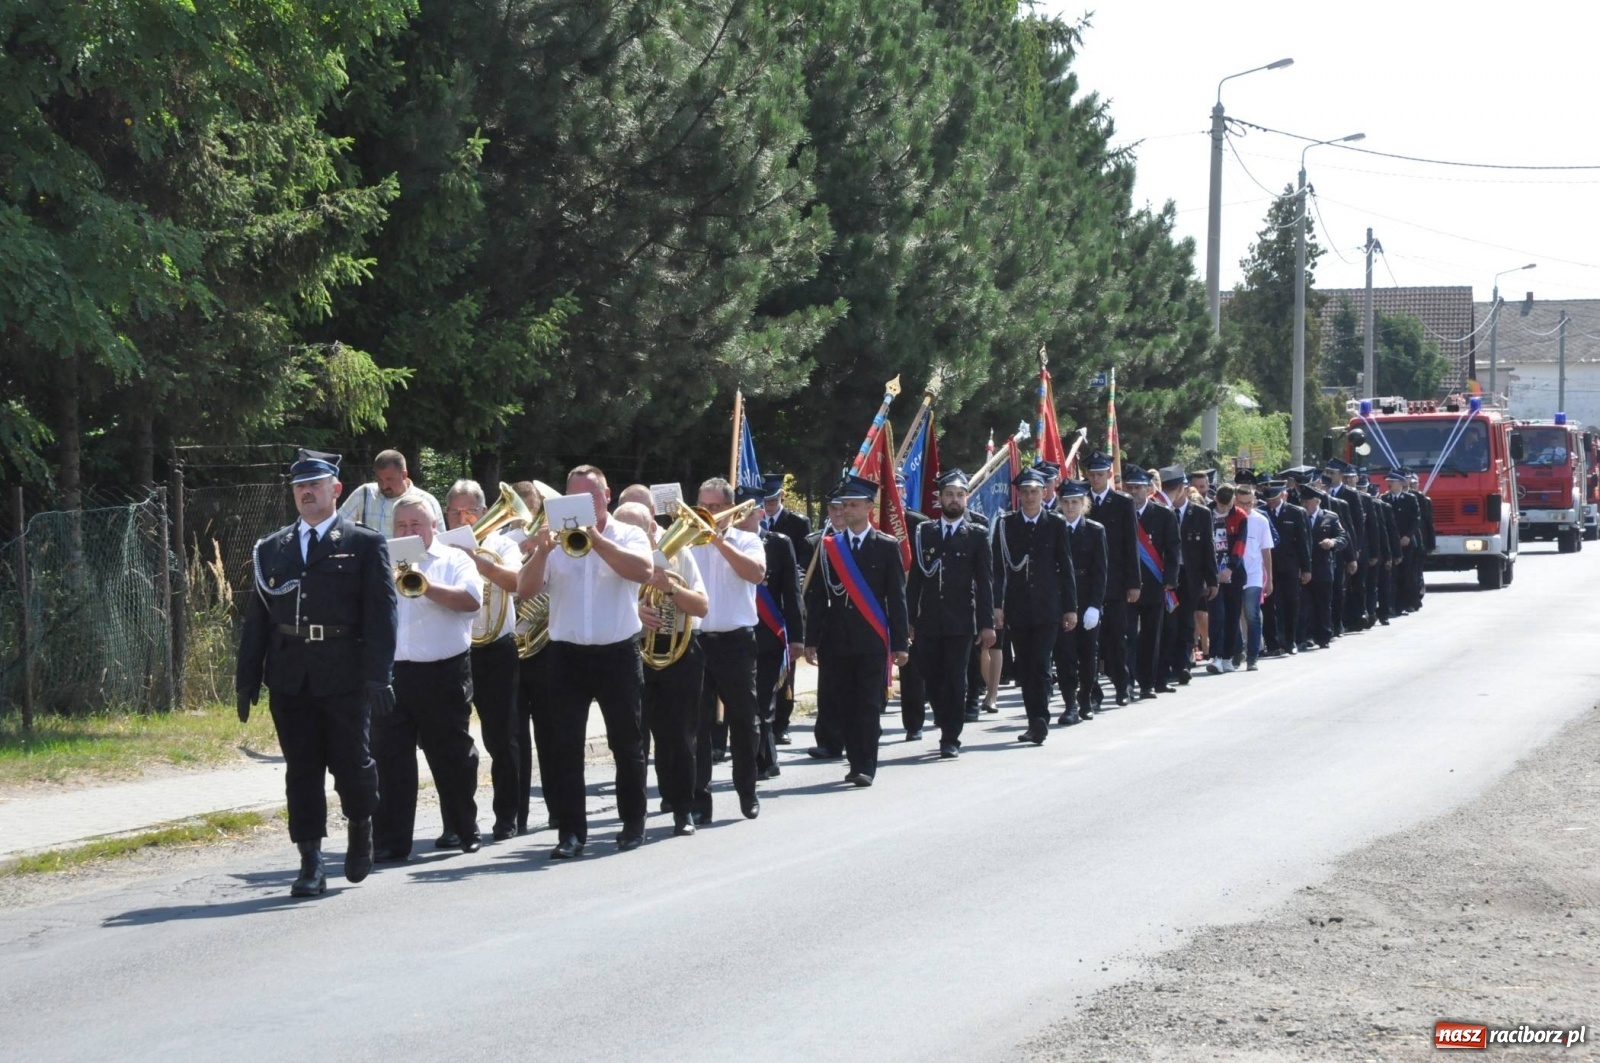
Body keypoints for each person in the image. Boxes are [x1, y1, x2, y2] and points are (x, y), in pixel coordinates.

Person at [236, 449, 396, 897]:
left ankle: (361, 826)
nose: (307, 492)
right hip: (290, 676)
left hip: (345, 672)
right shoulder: (272, 548)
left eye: (315, 484)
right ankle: (310, 863)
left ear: (336, 489)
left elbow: (382, 615)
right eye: (299, 486)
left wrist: (379, 674)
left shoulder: (363, 544)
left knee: (352, 764)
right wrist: (247, 678)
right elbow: (258, 619)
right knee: (301, 771)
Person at [518, 465, 654, 858]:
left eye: (591, 498)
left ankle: (632, 823)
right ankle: (572, 832)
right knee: (565, 746)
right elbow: (524, 591)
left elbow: (643, 571)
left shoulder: (627, 533)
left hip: (617, 652)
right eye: (575, 499)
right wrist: (542, 551)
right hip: (566, 656)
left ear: (606, 496)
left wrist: (594, 539)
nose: (585, 505)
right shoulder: (553, 540)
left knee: (627, 744)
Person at [372, 495, 484, 861]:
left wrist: (423, 584)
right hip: (394, 673)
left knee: (452, 756)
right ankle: (392, 840)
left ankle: (463, 828)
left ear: (434, 525)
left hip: (443, 672)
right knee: (391, 759)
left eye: (415, 524)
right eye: (401, 526)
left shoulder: (453, 559)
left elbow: (471, 601)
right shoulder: (381, 562)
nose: (408, 531)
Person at [803, 476, 909, 786]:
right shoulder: (830, 547)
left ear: (868, 507)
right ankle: (853, 760)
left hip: (871, 638)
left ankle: (866, 765)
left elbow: (896, 598)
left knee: (867, 704)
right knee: (844, 703)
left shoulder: (887, 546)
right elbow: (820, 597)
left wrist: (900, 643)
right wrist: (812, 639)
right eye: (843, 505)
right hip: (836, 639)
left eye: (852, 505)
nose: (846, 510)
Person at [616, 502, 709, 838]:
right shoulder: (615, 556)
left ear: (651, 527)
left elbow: (701, 606)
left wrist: (668, 586)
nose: (628, 539)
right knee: (632, 740)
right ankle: (634, 818)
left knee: (680, 737)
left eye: (636, 531)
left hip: (678, 652)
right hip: (633, 652)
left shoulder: (679, 553)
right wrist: (634, 611)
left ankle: (684, 810)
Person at [442, 480, 525, 841]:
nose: (462, 518)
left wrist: (475, 559)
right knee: (450, 743)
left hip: (495, 650)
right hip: (452, 651)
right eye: (455, 512)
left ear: (483, 510)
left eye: (469, 511)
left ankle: (508, 817)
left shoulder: (502, 543)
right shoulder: (438, 546)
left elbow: (517, 583)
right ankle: (457, 824)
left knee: (502, 738)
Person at [689, 477, 768, 822]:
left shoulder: (748, 539)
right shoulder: (686, 542)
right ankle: (698, 801)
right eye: (703, 507)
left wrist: (719, 542)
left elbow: (755, 574)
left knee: (744, 720)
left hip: (736, 641)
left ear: (731, 510)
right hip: (695, 642)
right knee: (698, 725)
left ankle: (747, 791)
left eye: (716, 507)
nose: (708, 513)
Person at [904, 470, 996, 758]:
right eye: (949, 494)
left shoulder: (977, 535)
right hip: (929, 619)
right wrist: (907, 619)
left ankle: (950, 737)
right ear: (940, 498)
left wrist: (986, 624)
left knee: (956, 678)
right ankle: (944, 718)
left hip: (961, 619)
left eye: (959, 495)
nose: (954, 500)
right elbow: (916, 579)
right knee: (930, 675)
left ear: (966, 498)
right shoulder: (925, 532)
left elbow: (985, 583)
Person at [990, 467, 1077, 745]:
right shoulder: (1006, 525)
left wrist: (1071, 607)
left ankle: (1040, 720)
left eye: (1035, 492)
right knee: (1025, 666)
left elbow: (1066, 567)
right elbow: (998, 568)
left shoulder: (1056, 524)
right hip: (1017, 606)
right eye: (1025, 492)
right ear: (1019, 495)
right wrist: (996, 605)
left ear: (1045, 493)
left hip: (1048, 606)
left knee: (1040, 662)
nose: (1029, 497)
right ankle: (1032, 719)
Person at [733, 488, 803, 780]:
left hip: (768, 634)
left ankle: (763, 759)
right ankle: (759, 758)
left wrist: (798, 636)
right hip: (734, 633)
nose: (742, 517)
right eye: (738, 511)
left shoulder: (777, 543)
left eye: (749, 511)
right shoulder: (725, 544)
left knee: (764, 701)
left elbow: (791, 591)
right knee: (743, 703)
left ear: (762, 512)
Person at [757, 473, 809, 746]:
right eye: (764, 501)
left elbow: (800, 560)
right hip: (755, 605)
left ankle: (781, 724)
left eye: (773, 500)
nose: (769, 505)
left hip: (776, 605)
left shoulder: (796, 524)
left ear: (782, 498)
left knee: (783, 673)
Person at [1086, 453, 1140, 705]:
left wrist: (1134, 583)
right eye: (1092, 474)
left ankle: (1122, 686)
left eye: (1100, 474)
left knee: (1117, 637)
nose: (1095, 478)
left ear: (1109, 474)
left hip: (1115, 581)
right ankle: (1092, 691)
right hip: (1087, 582)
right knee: (1090, 641)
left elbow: (1131, 544)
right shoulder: (1081, 499)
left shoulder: (1122, 501)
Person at [1124, 468, 1178, 700]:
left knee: (1151, 636)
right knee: (1126, 637)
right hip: (1126, 585)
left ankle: (1147, 683)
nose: (1134, 492)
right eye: (1131, 487)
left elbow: (1173, 549)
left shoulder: (1164, 514)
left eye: (1139, 487)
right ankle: (1126, 683)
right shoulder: (1121, 512)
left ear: (1149, 489)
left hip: (1155, 583)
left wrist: (1170, 580)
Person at [1054, 480, 1106, 725]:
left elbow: (1100, 571)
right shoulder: (1054, 527)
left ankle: (1085, 698)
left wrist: (1095, 605)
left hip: (1086, 598)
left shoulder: (1095, 530)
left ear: (1083, 504)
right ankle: (1069, 704)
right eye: (1066, 502)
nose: (1070, 506)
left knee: (1088, 653)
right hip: (1063, 599)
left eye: (1075, 502)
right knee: (1065, 655)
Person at [1161, 466, 1216, 689]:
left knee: (1186, 621)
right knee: (1169, 623)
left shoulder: (1201, 514)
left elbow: (1207, 549)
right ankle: (1168, 665)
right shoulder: (1160, 512)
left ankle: (1183, 664)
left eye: (1175, 488)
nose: (1172, 492)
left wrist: (1211, 580)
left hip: (1190, 575)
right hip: (1165, 577)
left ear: (1184, 488)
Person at [803, 500, 848, 759]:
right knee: (829, 689)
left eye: (846, 507)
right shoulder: (819, 544)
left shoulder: (873, 541)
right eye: (834, 509)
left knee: (859, 691)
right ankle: (829, 741)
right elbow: (816, 596)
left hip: (865, 626)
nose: (840, 513)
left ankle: (858, 737)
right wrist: (811, 637)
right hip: (830, 627)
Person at [338, 449, 443, 536]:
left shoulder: (426, 501)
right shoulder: (364, 494)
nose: (383, 486)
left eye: (389, 479)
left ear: (404, 475)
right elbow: (337, 527)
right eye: (379, 480)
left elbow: (441, 543)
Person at [1260, 481, 1310, 658]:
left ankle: (1291, 640)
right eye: (1269, 500)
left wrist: (1306, 568)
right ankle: (1272, 643)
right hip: (1267, 566)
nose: (1271, 503)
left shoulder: (1296, 512)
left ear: (1282, 495)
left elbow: (1304, 542)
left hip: (1289, 566)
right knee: (1268, 606)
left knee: (1291, 603)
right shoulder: (1262, 512)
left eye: (1274, 499)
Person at [1298, 486, 1350, 649]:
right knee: (1304, 604)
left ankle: (1323, 636)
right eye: (1303, 501)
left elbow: (1343, 538)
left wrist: (1332, 542)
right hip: (1304, 567)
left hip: (1323, 567)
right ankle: (1306, 636)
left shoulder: (1330, 517)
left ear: (1317, 501)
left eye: (1308, 501)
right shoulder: (1297, 515)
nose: (1304, 504)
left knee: (1323, 603)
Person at [1204, 485, 1247, 675]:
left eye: (1227, 506)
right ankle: (1217, 656)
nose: (1223, 509)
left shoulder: (1240, 516)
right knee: (1217, 615)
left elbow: (1240, 544)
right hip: (1212, 574)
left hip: (1233, 574)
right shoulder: (1206, 514)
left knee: (1232, 615)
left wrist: (1230, 568)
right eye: (1220, 505)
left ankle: (1229, 656)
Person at [1233, 478, 1274, 671]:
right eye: (1242, 503)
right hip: (1232, 575)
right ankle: (1235, 651)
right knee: (1232, 615)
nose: (1246, 507)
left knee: (1252, 614)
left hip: (1254, 575)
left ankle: (1252, 656)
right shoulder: (1229, 518)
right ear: (1235, 501)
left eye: (1249, 503)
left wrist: (1269, 579)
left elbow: (1266, 551)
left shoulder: (1260, 520)